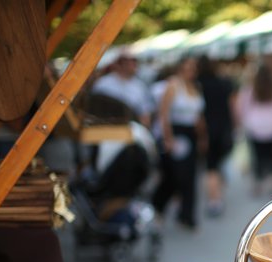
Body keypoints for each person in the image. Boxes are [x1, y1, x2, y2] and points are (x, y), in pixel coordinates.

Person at [152, 57, 207, 230]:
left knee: (190, 176)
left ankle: (187, 215)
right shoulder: (173, 85)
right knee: (174, 175)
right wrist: (168, 138)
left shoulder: (196, 87)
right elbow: (164, 114)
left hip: (190, 134)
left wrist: (202, 137)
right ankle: (158, 206)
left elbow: (198, 116)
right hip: (176, 133)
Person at [235, 63, 272, 196]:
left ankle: (258, 184)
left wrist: (243, 123)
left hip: (255, 127)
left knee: (258, 157)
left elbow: (241, 108)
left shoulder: (249, 91)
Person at [197, 55, 236, 217]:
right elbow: (233, 106)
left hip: (207, 131)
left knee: (211, 167)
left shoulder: (198, 85)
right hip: (224, 129)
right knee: (218, 164)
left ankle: (214, 201)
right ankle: (218, 195)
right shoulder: (225, 83)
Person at [92, 50, 154, 128]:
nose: (133, 64)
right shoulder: (103, 83)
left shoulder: (140, 86)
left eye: (134, 61)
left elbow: (145, 113)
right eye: (127, 62)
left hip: (131, 127)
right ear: (118, 64)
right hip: (105, 127)